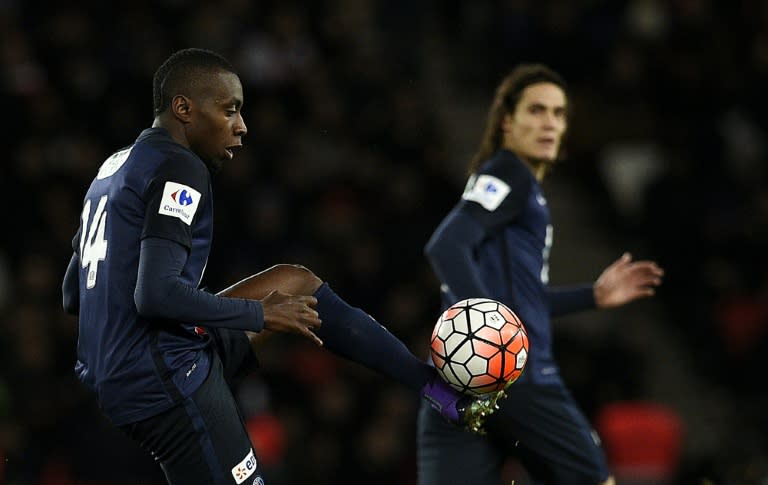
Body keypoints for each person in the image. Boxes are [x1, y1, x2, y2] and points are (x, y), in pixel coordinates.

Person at [61, 47, 494, 485]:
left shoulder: (112, 170)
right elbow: (155, 294)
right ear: (183, 108)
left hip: (121, 368)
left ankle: (438, 391)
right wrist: (260, 314)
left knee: (296, 283)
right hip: (161, 380)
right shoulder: (180, 167)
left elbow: (72, 293)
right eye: (229, 110)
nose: (241, 126)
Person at [417, 64, 665, 485]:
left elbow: (518, 302)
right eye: (537, 110)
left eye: (559, 113)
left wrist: (593, 296)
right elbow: (447, 244)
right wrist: (493, 337)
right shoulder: (508, 172)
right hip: (516, 377)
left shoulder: (511, 184)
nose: (550, 122)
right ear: (506, 121)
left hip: (453, 378)